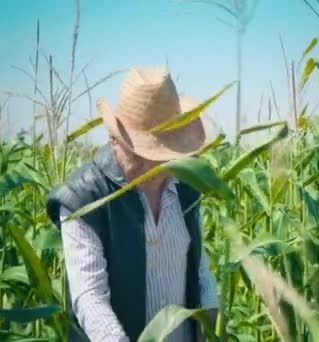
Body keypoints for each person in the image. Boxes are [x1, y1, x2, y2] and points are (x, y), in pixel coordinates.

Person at [46, 66, 219, 342]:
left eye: (160, 152)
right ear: (113, 139)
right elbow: (90, 298)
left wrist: (211, 319)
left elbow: (199, 264)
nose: (152, 165)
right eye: (139, 153)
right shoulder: (83, 199)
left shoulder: (186, 186)